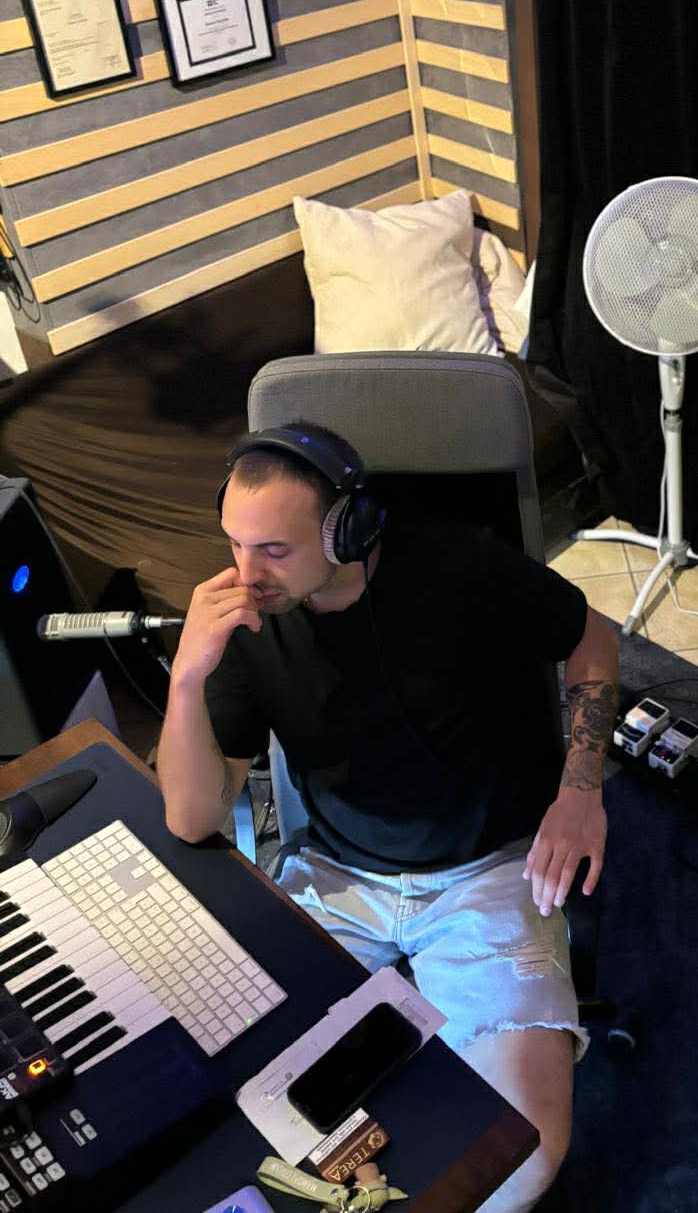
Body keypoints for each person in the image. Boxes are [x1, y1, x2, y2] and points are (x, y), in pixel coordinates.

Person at [157, 423, 620, 1213]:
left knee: (519, 1161)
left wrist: (581, 791)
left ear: (346, 530)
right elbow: (192, 819)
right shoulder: (243, 623)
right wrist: (188, 680)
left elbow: (592, 637)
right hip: (334, 876)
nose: (246, 575)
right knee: (228, 1106)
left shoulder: (461, 566)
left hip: (488, 871)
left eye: (273, 550)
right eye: (234, 543)